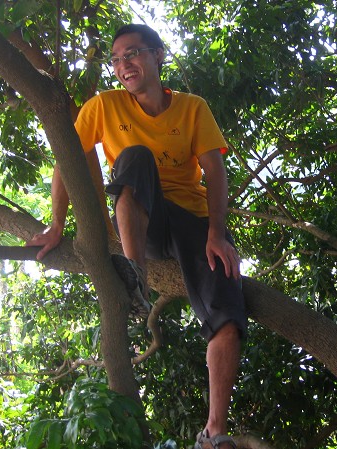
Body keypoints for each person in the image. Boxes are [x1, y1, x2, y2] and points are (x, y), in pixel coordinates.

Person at [27, 23, 245, 449]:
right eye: (116, 59)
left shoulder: (192, 108)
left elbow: (215, 172)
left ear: (158, 54)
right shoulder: (104, 106)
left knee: (229, 316)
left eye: (132, 53)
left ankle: (214, 433)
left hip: (193, 219)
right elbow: (68, 159)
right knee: (134, 158)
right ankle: (136, 280)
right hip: (141, 219)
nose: (123, 64)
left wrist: (217, 234)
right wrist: (56, 224)